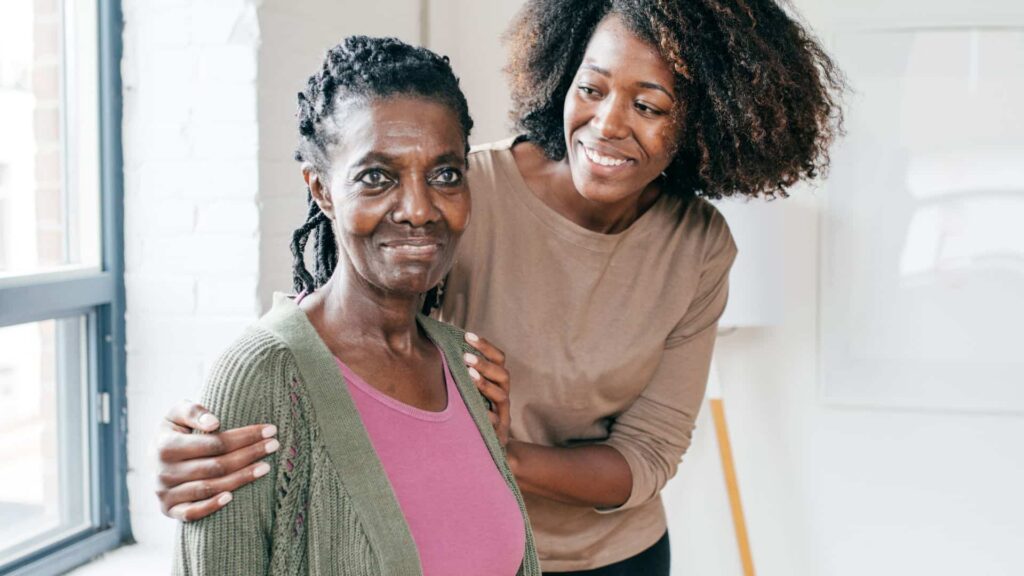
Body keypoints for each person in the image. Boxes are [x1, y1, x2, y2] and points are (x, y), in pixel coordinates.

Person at [158, 1, 844, 574]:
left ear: (702, 122)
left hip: (617, 554)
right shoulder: (459, 192)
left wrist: (499, 451)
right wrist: (212, 435)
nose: (607, 124)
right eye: (593, 88)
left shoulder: (697, 248)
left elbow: (647, 454)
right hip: (452, 544)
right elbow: (343, 321)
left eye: (649, 104)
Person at [172, 36, 541, 576]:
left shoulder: (466, 366)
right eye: (376, 176)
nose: (419, 209)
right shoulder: (262, 376)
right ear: (321, 190)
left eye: (444, 175)